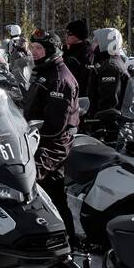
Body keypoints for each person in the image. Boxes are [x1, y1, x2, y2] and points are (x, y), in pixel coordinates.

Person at [22, 33, 80, 244]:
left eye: (39, 48)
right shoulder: (44, 72)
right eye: (33, 47)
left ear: (51, 51)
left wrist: (30, 133)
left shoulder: (60, 79)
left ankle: (65, 239)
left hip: (53, 145)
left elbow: (55, 125)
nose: (35, 52)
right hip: (36, 140)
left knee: (46, 189)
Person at [86, 27, 129, 116]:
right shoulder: (110, 61)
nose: (92, 44)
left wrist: (95, 120)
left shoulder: (109, 67)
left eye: (96, 41)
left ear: (105, 42)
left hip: (106, 124)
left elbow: (109, 103)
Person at [63, 19, 91, 89]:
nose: (66, 36)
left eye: (70, 33)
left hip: (78, 93)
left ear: (78, 35)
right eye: (66, 32)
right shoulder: (67, 50)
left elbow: (84, 79)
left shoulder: (86, 52)